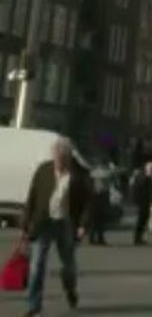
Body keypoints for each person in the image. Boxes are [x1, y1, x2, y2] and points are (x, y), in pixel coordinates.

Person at [20, 136, 91, 317]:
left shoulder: (79, 175)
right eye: (56, 159)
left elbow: (88, 202)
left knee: (68, 265)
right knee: (37, 265)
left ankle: (70, 290)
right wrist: (26, 223)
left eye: (63, 159)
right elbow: (32, 196)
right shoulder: (43, 170)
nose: (59, 163)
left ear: (69, 157)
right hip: (43, 222)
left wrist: (82, 225)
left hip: (66, 223)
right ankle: (34, 305)